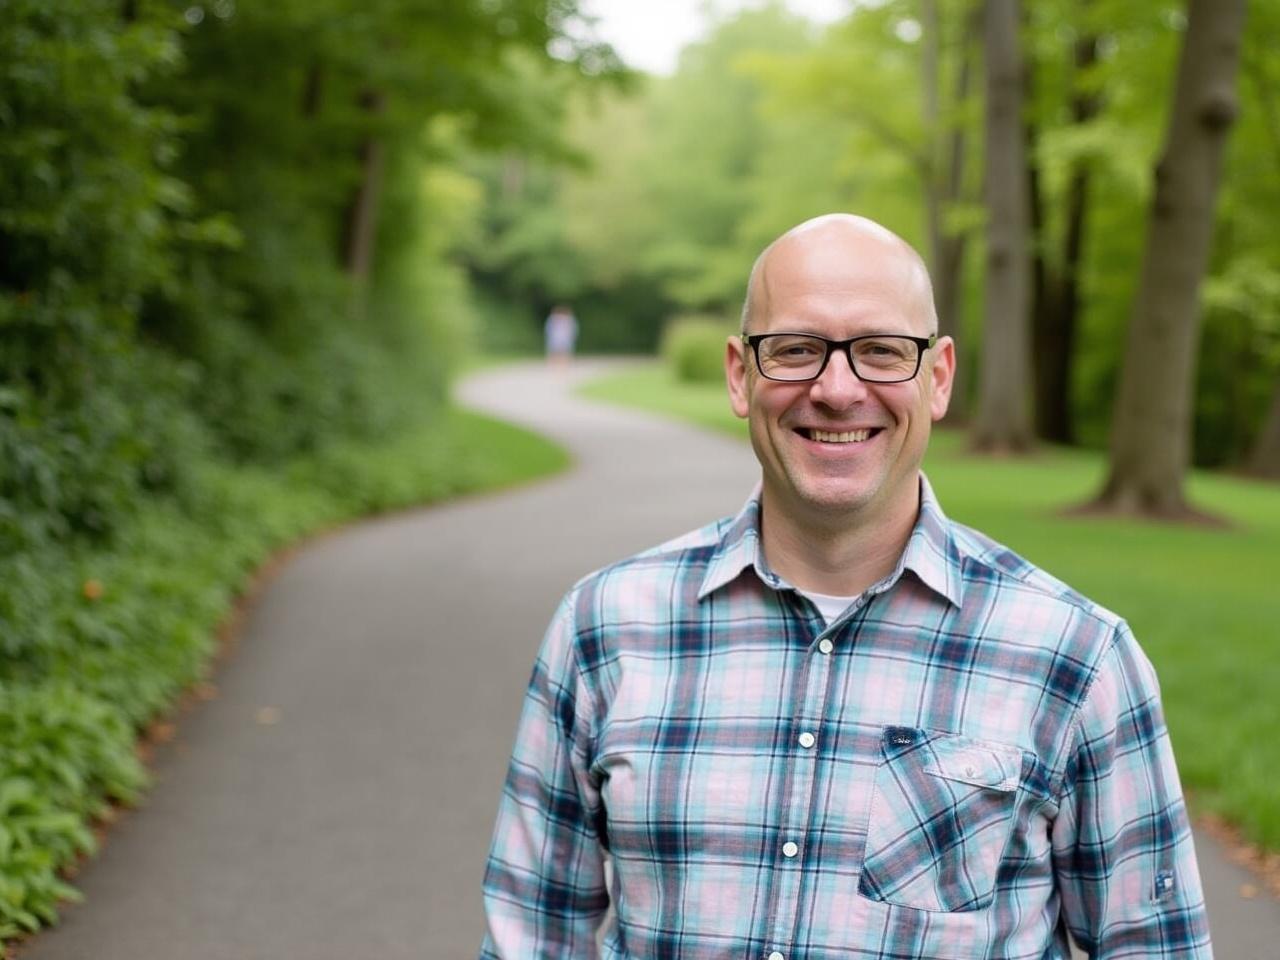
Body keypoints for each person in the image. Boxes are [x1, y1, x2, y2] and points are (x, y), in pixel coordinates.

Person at [480, 214, 1212, 959]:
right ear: (741, 374)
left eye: (880, 352)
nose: (836, 390)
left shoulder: (1076, 658)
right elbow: (530, 936)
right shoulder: (604, 628)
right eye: (795, 350)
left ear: (938, 377)